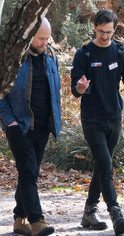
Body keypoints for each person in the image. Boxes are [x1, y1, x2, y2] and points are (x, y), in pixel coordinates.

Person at [70, 9, 124, 235]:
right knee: (106, 165)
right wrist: (80, 88)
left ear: (114, 29)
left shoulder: (121, 53)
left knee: (101, 166)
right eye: (102, 32)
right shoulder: (83, 54)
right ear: (94, 27)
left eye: (109, 32)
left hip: (114, 117)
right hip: (92, 117)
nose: (105, 36)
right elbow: (75, 89)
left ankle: (89, 211)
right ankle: (115, 211)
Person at [0, 18, 61, 236]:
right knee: (27, 172)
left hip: (43, 127)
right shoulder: (13, 58)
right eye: (41, 38)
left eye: (47, 38)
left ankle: (18, 221)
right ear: (29, 35)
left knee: (30, 174)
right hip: (19, 126)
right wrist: (11, 123)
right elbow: (0, 93)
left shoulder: (51, 56)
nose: (45, 42)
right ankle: (37, 221)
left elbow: (55, 90)